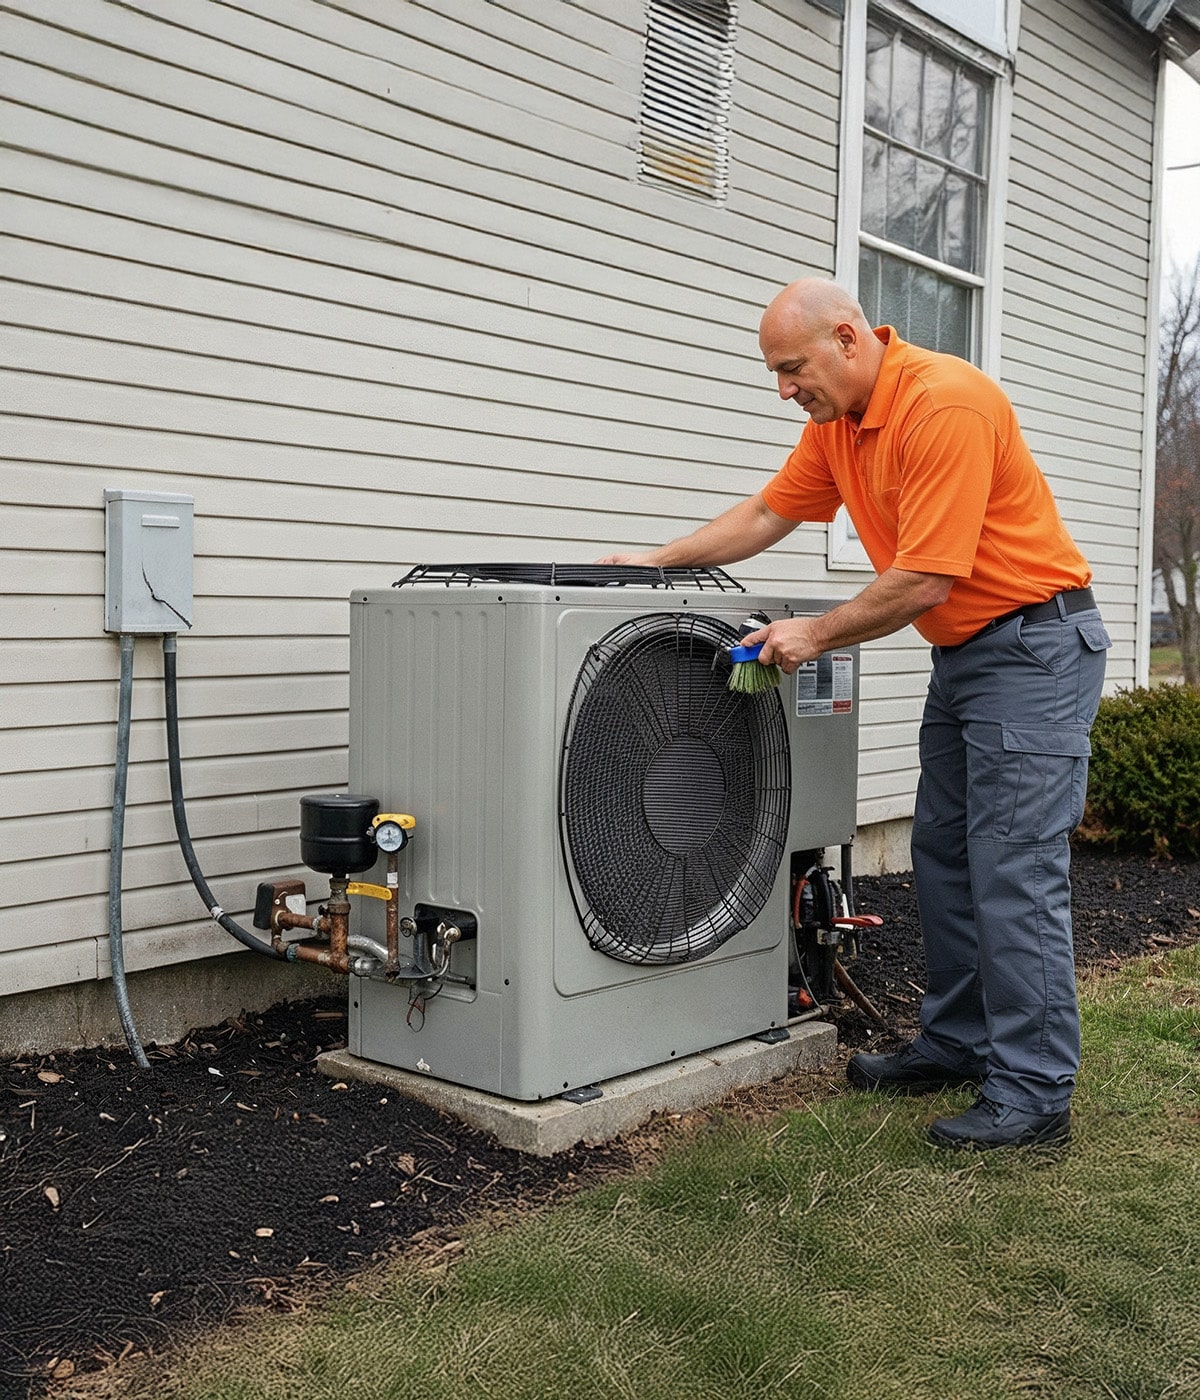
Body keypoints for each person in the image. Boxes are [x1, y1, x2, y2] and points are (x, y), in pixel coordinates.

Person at [599, 277, 1110, 1149]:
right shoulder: (838, 426)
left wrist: (817, 632)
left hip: (1033, 651)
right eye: (775, 372)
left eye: (792, 367)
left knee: (1014, 869)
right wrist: (657, 562)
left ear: (846, 338)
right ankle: (958, 1044)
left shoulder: (943, 404)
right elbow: (769, 511)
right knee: (945, 855)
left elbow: (927, 577)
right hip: (969, 657)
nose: (784, 389)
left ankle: (1034, 1093)